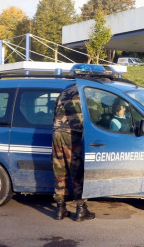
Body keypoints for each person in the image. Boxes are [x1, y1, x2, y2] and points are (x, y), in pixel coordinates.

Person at [52, 84, 95, 221]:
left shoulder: (64, 92)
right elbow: (95, 117)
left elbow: (55, 113)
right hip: (72, 135)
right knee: (76, 172)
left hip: (57, 133)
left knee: (59, 172)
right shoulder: (86, 91)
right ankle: (81, 208)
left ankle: (60, 208)